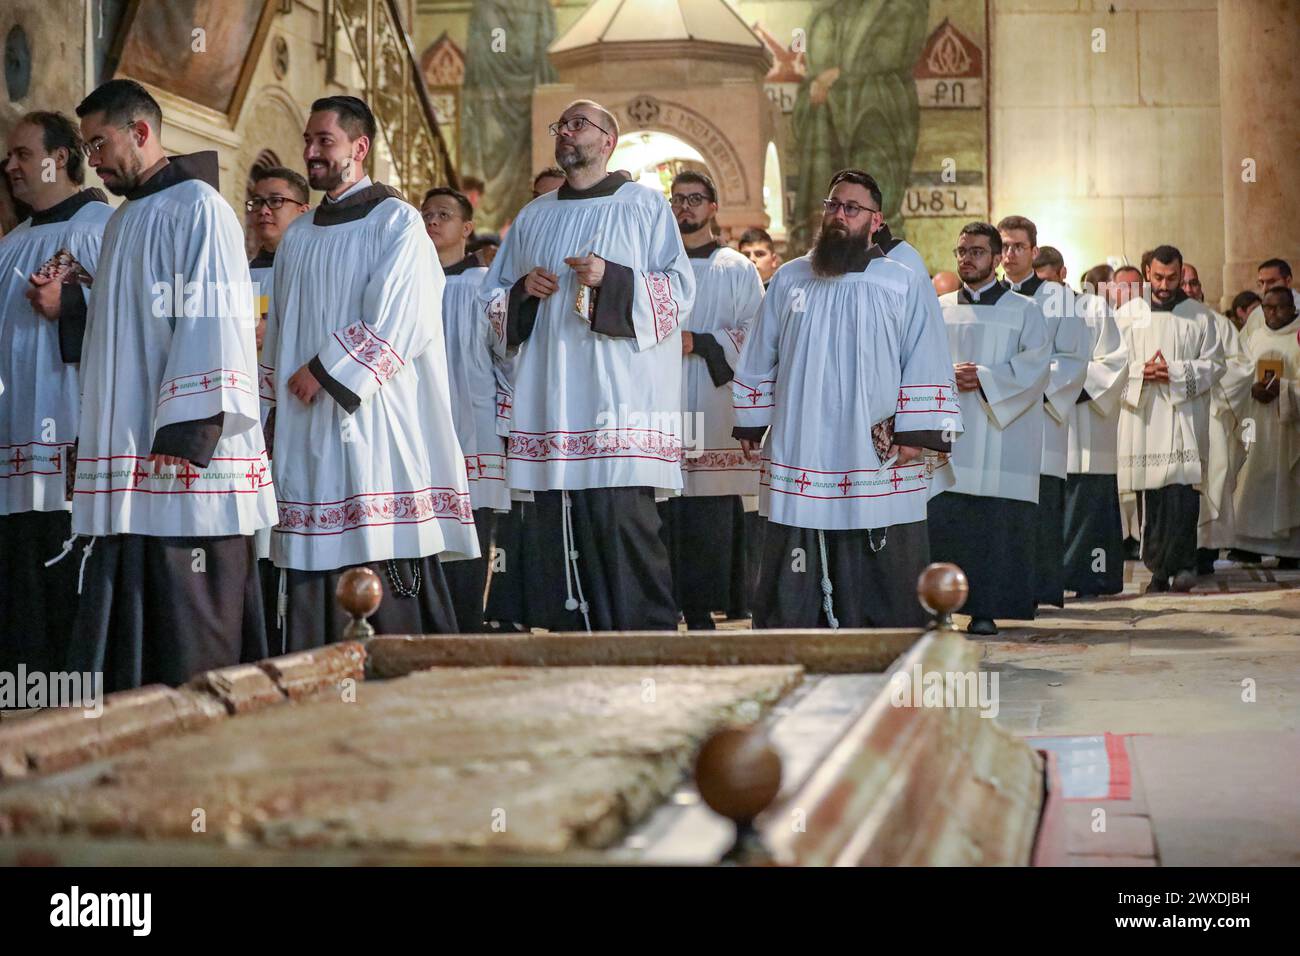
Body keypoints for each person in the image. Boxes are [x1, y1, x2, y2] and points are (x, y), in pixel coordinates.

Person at [70, 79, 277, 689]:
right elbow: (123, 334)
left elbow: (213, 322)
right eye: (86, 148)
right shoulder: (124, 219)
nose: (95, 160)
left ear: (141, 132)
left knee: (195, 641)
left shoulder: (200, 207)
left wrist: (189, 434)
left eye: (100, 142)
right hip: (138, 461)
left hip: (185, 463)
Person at [261, 95, 477, 649]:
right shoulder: (301, 234)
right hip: (303, 423)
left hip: (374, 421)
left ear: (359, 148)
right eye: (307, 140)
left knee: (373, 536)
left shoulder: (397, 222)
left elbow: (402, 316)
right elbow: (281, 327)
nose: (310, 151)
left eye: (323, 141)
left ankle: (395, 668)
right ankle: (315, 665)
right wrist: (271, 405)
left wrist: (325, 370)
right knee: (311, 546)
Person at [479, 99, 694, 631]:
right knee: (560, 533)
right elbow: (491, 304)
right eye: (561, 126)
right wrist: (523, 294)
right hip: (553, 403)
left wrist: (612, 278)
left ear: (607, 141)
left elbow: (679, 292)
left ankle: (647, 648)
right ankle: (575, 649)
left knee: (624, 530)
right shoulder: (533, 216)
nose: (566, 133)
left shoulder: (643, 205)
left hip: (621, 407)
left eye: (579, 124)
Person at [734, 169, 959, 628]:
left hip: (870, 436)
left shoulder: (901, 280)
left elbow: (926, 354)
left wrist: (914, 431)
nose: (839, 215)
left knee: (875, 534)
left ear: (876, 221)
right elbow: (760, 353)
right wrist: (752, 421)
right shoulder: (790, 278)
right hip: (802, 437)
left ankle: (880, 638)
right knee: (795, 537)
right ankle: (795, 636)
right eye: (833, 205)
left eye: (851, 208)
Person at [0, 111, 111, 678]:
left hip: (71, 445)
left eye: (21, 153)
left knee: (67, 588)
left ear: (59, 158)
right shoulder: (12, 242)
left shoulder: (100, 229)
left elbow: (138, 326)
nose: (10, 164)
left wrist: (68, 305)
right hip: (13, 441)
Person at [930, 222, 1050, 634]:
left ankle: (986, 608)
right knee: (948, 519)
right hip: (951, 436)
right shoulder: (939, 308)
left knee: (993, 525)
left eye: (978, 251)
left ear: (998, 259)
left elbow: (1036, 370)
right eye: (962, 251)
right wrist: (948, 374)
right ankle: (941, 605)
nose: (967, 258)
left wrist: (984, 377)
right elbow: (916, 365)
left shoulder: (1026, 312)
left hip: (1002, 437)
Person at [659, 171, 764, 628]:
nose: (685, 207)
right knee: (664, 507)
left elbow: (756, 335)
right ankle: (663, 603)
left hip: (710, 403)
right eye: (678, 200)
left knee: (707, 512)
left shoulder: (734, 267)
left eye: (695, 199)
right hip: (660, 403)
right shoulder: (655, 265)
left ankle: (704, 606)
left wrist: (701, 342)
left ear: (713, 207)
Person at [1115, 245, 1223, 592]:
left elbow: (1215, 364)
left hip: (1182, 418)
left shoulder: (1200, 315)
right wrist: (1140, 372)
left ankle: (1184, 564)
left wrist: (1175, 373)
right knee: (1153, 498)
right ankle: (1158, 569)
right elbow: (1112, 364)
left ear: (1181, 274)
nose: (1164, 284)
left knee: (1181, 493)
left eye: (1172, 277)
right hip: (1145, 418)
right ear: (1147, 272)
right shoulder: (1127, 315)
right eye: (1158, 277)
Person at [422, 185, 506, 631]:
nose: (432, 222)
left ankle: (466, 628)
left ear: (466, 228)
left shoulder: (485, 287)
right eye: (426, 214)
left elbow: (507, 357)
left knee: (470, 537)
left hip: (472, 428)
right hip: (418, 429)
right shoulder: (410, 281)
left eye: (443, 215)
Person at [998, 218, 1089, 610]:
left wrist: (1029, 389)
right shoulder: (992, 297)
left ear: (1034, 251)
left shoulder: (1057, 297)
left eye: (1019, 246)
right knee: (1005, 509)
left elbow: (1073, 358)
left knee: (1042, 506)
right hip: (998, 417)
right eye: (1004, 246)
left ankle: (1041, 587)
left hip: (1042, 415)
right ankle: (1006, 588)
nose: (1010, 254)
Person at [1223, 287, 1300, 567]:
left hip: (1289, 428)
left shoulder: (1298, 336)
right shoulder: (1253, 336)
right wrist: (1249, 387)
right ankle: (1247, 544)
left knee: (1288, 485)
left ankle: (1290, 551)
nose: (1273, 313)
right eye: (1267, 307)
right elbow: (1235, 370)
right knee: (1250, 479)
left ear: (1292, 308)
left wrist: (1286, 389)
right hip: (1255, 422)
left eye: (1280, 307)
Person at [1063, 278, 1129, 596]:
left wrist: (1072, 384)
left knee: (1090, 510)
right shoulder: (1028, 310)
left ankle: (1092, 578)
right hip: (1047, 427)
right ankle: (1051, 581)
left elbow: (1115, 362)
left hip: (1087, 424)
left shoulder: (1094, 308)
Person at [246, 167, 311, 353]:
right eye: (257, 202)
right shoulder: (244, 271)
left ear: (304, 211)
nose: (263, 210)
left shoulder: (318, 269)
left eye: (275, 201)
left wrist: (274, 332)